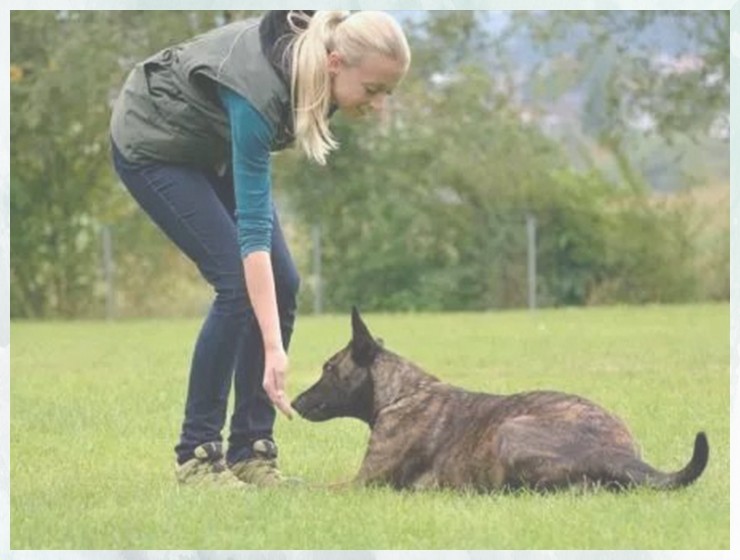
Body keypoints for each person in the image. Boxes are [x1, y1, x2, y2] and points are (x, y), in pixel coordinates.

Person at [109, 10, 411, 486]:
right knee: (235, 282)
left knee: (284, 283)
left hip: (210, 146)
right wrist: (274, 347)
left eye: (387, 93)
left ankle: (251, 451)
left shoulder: (323, 54)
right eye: (373, 91)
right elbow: (251, 236)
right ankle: (197, 457)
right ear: (334, 63)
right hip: (155, 143)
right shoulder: (259, 94)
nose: (377, 107)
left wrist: (272, 332)